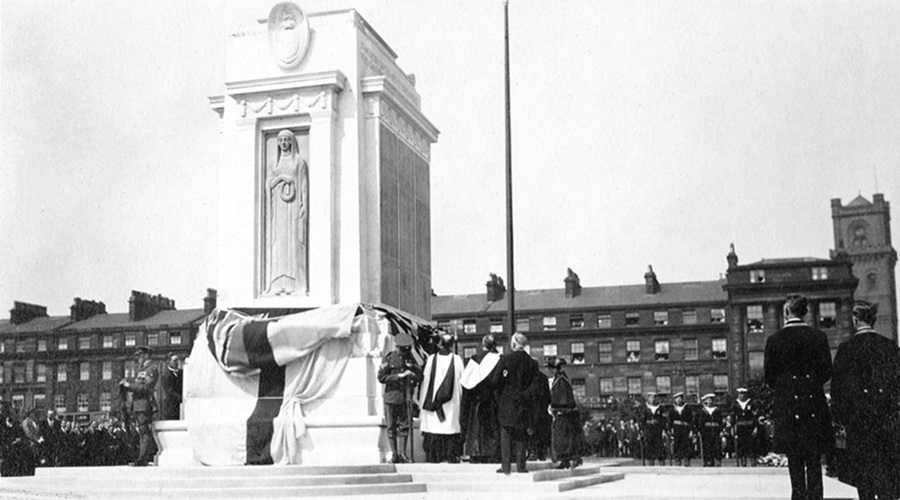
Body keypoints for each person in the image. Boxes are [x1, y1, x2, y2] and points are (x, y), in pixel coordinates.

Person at [764, 294, 832, 500]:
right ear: (804, 312)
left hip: (788, 406)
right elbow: (826, 371)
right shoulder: (819, 337)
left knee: (794, 460)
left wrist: (787, 389)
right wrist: (809, 385)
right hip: (813, 404)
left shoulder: (774, 340)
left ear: (786, 312)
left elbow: (769, 377)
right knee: (814, 458)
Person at [831, 301, 900, 500]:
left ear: (855, 319)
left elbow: (838, 391)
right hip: (887, 421)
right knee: (886, 474)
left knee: (864, 478)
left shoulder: (846, 349)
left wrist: (842, 420)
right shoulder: (890, 347)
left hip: (858, 422)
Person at [264, 128, 309, 296]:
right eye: (280, 140)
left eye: (286, 140)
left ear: (291, 142)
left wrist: (304, 204)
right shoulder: (273, 163)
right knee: (278, 243)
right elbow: (268, 183)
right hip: (278, 208)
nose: (283, 143)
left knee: (294, 243)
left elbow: (303, 183)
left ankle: (295, 283)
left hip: (294, 206)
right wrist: (282, 178)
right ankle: (277, 283)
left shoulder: (299, 161)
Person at [492, 333, 540, 474]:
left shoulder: (505, 359)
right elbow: (536, 386)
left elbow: (495, 381)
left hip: (507, 401)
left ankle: (505, 467)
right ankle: (521, 466)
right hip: (524, 403)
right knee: (521, 435)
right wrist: (524, 395)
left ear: (513, 344)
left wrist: (503, 394)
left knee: (505, 434)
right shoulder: (532, 363)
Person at [376, 331, 422, 464]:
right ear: (397, 347)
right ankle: (394, 455)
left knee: (405, 426)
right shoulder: (388, 359)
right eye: (402, 349)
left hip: (405, 398)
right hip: (391, 398)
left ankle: (402, 454)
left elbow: (420, 375)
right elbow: (381, 377)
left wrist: (413, 376)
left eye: (407, 350)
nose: (405, 352)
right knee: (391, 427)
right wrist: (399, 377)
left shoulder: (410, 358)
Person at [418, 333, 464, 463]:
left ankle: (434, 456)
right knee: (449, 428)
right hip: (451, 402)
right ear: (451, 345)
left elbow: (426, 380)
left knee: (434, 429)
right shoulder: (457, 359)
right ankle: (450, 456)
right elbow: (462, 379)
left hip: (433, 402)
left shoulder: (432, 359)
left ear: (440, 344)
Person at [459, 334, 501, 463]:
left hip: (476, 400)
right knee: (493, 427)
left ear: (483, 345)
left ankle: (475, 452)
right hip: (493, 401)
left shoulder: (475, 359)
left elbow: (466, 382)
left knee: (476, 426)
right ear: (495, 345)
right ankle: (493, 453)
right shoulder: (501, 359)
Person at [119, 345, 159, 466]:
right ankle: (141, 458)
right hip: (137, 405)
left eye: (140, 356)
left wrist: (128, 386)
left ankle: (142, 459)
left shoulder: (151, 369)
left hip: (144, 404)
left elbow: (145, 387)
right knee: (141, 432)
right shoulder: (141, 370)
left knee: (144, 431)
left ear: (146, 355)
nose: (138, 359)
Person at [547, 358, 587, 469]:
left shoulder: (561, 381)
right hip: (564, 414)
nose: (550, 371)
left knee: (564, 438)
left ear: (555, 369)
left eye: (551, 369)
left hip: (565, 415)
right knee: (563, 438)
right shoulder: (559, 379)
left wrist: (554, 407)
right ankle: (565, 461)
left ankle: (571, 460)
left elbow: (563, 399)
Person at [731, 387, 759, 467]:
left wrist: (756, 427)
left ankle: (753, 459)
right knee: (741, 444)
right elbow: (733, 417)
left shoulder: (751, 403)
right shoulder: (735, 404)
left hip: (750, 426)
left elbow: (755, 416)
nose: (741, 396)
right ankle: (743, 460)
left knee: (752, 444)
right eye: (740, 394)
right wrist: (732, 428)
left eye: (743, 394)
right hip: (740, 427)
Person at [694, 393, 723, 467]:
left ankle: (717, 460)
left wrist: (721, 430)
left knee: (716, 446)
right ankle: (707, 460)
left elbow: (720, 421)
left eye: (711, 400)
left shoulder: (717, 410)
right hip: (706, 431)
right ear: (705, 401)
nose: (710, 402)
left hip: (715, 430)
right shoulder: (701, 411)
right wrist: (698, 430)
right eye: (708, 400)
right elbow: (698, 422)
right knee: (707, 446)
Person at [640, 392, 666, 466]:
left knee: (659, 447)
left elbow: (663, 420)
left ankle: (662, 464)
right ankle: (650, 464)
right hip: (648, 430)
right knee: (649, 447)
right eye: (651, 397)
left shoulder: (660, 408)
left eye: (654, 397)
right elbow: (642, 420)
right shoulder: (645, 408)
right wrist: (642, 430)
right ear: (648, 398)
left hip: (658, 430)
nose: (653, 399)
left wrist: (664, 429)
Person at [667, 392, 693, 466]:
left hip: (685, 428)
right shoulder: (672, 409)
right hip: (676, 429)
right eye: (677, 398)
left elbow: (691, 420)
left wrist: (691, 430)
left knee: (686, 445)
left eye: (680, 398)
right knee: (676, 444)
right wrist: (670, 428)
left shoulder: (687, 408)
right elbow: (669, 420)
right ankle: (677, 460)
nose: (678, 400)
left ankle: (686, 460)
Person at [160, 352, 183, 421]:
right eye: (174, 361)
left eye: (177, 360)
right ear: (168, 362)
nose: (177, 363)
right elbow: (169, 391)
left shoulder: (181, 373)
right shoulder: (165, 375)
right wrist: (181, 397)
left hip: (181, 405)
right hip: (171, 406)